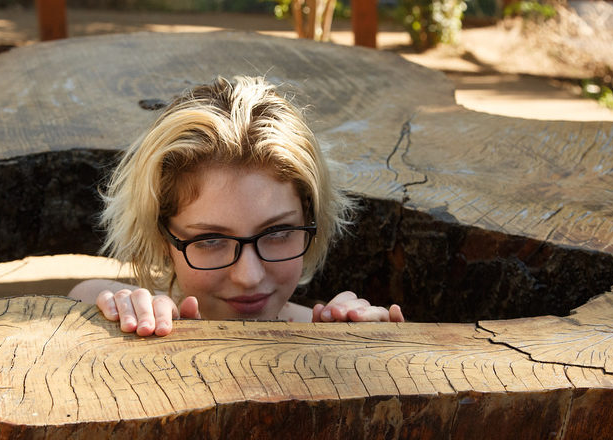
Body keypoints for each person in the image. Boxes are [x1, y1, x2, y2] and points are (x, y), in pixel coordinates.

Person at [69, 76, 404, 336]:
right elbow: (84, 292)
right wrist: (126, 307)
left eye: (278, 233)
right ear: (162, 237)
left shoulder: (324, 330)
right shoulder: (155, 319)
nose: (249, 277)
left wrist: (361, 349)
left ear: (311, 218)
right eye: (210, 240)